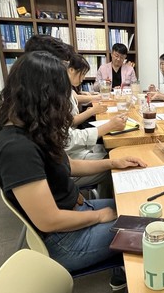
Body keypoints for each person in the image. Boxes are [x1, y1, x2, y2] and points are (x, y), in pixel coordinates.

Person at [0, 51, 147, 285]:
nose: (65, 102)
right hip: (65, 241)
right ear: (43, 96)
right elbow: (49, 221)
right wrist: (98, 216)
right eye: (61, 95)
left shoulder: (32, 128)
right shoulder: (16, 149)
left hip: (78, 211)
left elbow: (67, 165)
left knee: (139, 208)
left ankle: (123, 267)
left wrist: (112, 162)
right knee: (150, 229)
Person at [25, 35, 126, 193]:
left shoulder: (40, 97)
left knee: (114, 157)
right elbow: (67, 141)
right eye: (65, 66)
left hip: (66, 163)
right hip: (64, 171)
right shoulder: (42, 104)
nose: (65, 72)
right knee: (116, 166)